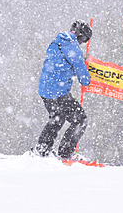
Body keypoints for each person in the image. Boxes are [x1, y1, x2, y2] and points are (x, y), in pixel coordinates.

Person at [32, 19, 93, 160]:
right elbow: (85, 79)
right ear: (81, 36)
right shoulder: (73, 48)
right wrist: (88, 73)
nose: (82, 44)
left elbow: (61, 63)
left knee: (57, 118)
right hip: (59, 92)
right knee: (80, 120)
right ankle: (65, 153)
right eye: (83, 40)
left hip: (46, 90)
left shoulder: (58, 40)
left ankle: (42, 149)